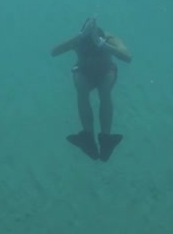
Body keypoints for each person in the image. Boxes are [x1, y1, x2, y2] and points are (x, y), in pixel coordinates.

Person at [51, 17, 132, 161]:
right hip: (84, 72)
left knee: (105, 90)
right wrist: (80, 36)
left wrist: (102, 44)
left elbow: (127, 57)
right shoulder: (79, 39)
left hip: (105, 72)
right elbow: (54, 52)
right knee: (81, 87)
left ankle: (105, 138)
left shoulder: (108, 38)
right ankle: (88, 136)